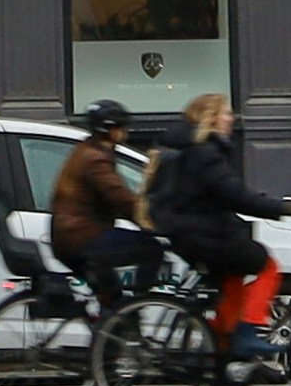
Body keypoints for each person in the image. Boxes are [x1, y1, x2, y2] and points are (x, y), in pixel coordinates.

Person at [144, 91, 271, 331]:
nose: (232, 119)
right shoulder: (206, 153)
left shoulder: (181, 148)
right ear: (211, 118)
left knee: (232, 277)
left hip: (185, 232)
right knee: (266, 264)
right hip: (205, 234)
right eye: (227, 114)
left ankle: (224, 340)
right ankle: (251, 325)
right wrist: (278, 207)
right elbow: (233, 194)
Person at [44, 103, 150, 299]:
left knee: (110, 295)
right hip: (83, 238)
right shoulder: (96, 159)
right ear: (111, 130)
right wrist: (150, 221)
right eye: (122, 127)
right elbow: (118, 196)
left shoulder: (88, 150)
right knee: (151, 249)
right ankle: (140, 301)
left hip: (72, 237)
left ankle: (117, 313)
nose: (126, 132)